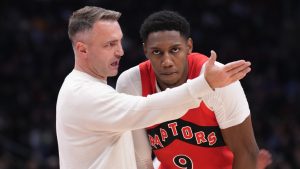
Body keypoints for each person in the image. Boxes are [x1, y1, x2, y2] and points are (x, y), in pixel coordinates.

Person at [56, 6, 251, 169]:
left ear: (189, 47)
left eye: (120, 42)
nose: (121, 51)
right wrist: (205, 85)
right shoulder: (85, 95)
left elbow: (247, 151)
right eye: (110, 44)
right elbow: (147, 109)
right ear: (82, 49)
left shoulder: (88, 89)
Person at [116, 10, 271, 169]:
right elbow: (141, 161)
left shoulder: (217, 78)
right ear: (145, 51)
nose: (167, 61)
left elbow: (246, 152)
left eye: (175, 50)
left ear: (189, 46)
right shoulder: (131, 84)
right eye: (157, 52)